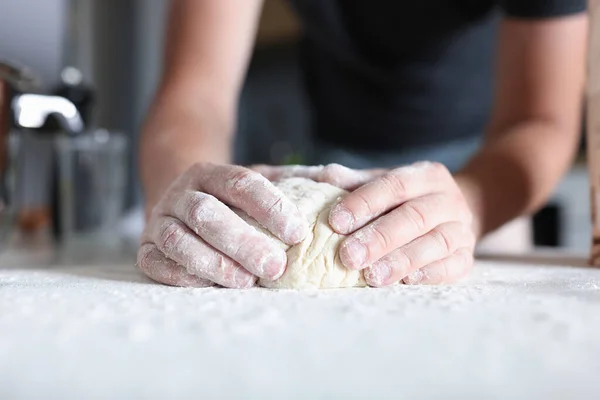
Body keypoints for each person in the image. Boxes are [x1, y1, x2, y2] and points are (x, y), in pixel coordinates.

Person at [137, 0, 588, 288]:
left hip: (480, 180)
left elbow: (540, 121)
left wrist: (470, 206)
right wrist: (186, 188)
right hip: (327, 170)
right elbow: (195, 95)